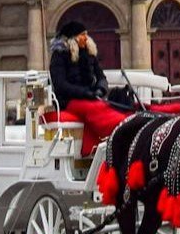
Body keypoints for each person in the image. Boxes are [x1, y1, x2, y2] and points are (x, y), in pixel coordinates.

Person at [51, 19, 129, 151]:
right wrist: (84, 93)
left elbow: (101, 76)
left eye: (86, 34)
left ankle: (121, 125)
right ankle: (117, 129)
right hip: (69, 101)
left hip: (90, 96)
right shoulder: (59, 56)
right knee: (92, 109)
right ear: (73, 38)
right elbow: (60, 85)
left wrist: (100, 89)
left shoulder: (89, 54)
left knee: (103, 105)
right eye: (82, 34)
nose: (86, 38)